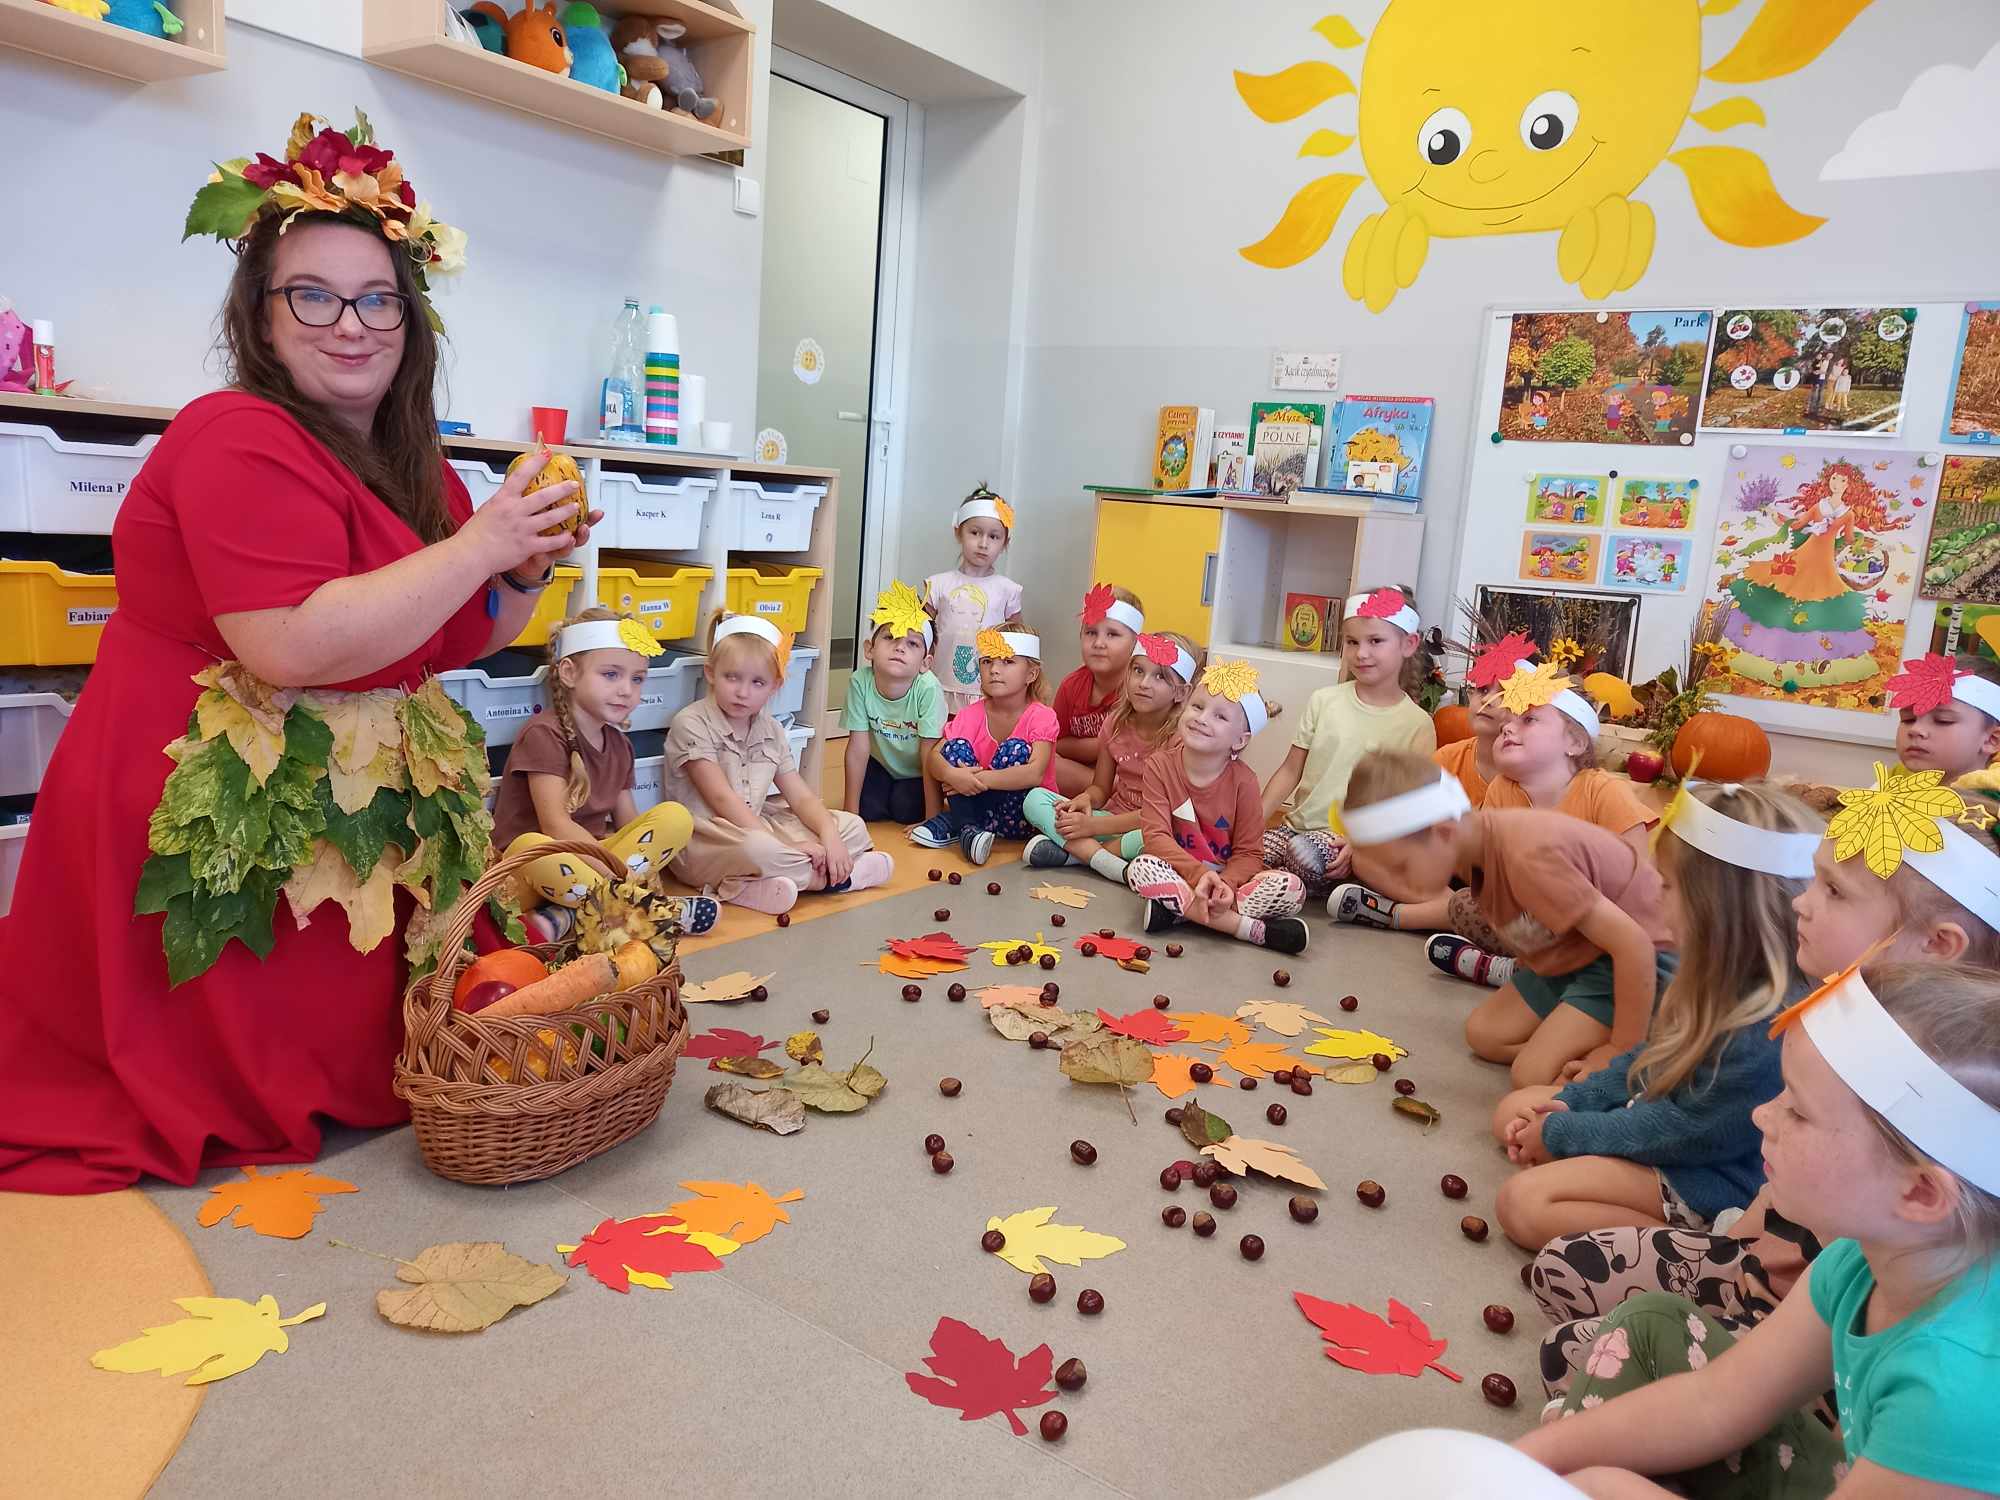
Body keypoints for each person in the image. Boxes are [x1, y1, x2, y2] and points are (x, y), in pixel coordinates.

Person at [0, 113, 612, 1190]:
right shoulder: (231, 433)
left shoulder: (410, 457)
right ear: (263, 317)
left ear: (410, 318)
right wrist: (481, 544)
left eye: (378, 298)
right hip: (204, 778)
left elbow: (459, 633)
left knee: (374, 1041)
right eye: (314, 296)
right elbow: (285, 645)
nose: (351, 324)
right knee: (218, 1052)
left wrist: (520, 566)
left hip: (349, 792)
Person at [1527, 768, 2000, 1409]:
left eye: (1832, 890)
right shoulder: (1836, 1008)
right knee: (1565, 1291)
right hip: (1774, 1257)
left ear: (1937, 946)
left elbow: (1853, 1246)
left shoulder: (1935, 1075)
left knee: (1596, 1359)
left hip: (1821, 1315)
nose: (1803, 901)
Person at [1516, 961, 2000, 1500]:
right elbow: (1717, 1401)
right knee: (1651, 1326)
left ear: (1920, 1193)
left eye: (1799, 1111)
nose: (1762, 1116)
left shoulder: (1955, 1395)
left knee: (1603, 1481)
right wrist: (1525, 1461)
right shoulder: (1861, 1260)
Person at [1491, 784, 1818, 1251]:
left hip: (1706, 1177)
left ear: (1715, 908)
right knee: (1517, 1109)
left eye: (1666, 884)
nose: (1655, 893)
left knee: (1523, 1204)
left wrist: (1567, 1132)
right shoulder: (1712, 976)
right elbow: (1649, 1057)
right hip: (1658, 1123)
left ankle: (1714, 1254)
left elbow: (1681, 1132)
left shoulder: (1765, 1030)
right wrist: (1576, 1102)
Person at [1342, 749, 1676, 1087]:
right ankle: (1581, 1047)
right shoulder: (1479, 850)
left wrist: (1620, 1050)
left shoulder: (1527, 859)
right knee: (1485, 1035)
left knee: (1530, 1074)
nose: (1400, 884)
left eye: (1401, 868)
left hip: (1638, 961)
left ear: (1443, 833)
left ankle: (1647, 1052)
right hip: (1576, 955)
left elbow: (1634, 945)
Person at [1335, 662, 1647, 990]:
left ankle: (1397, 918)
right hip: (1524, 915)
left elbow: (1636, 883)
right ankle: (1510, 968)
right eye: (1508, 722)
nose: (1509, 728)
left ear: (1576, 742)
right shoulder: (1503, 788)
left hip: (1593, 924)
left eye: (1527, 720)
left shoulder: (1604, 792)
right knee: (1468, 902)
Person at [489, 607, 710, 942]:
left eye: (637, 679)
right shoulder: (543, 734)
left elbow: (628, 822)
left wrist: (638, 874)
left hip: (588, 869)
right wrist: (619, 877)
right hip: (532, 870)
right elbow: (555, 826)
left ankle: (576, 914)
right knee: (530, 845)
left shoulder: (620, 746)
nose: (626, 689)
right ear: (569, 673)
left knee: (675, 817)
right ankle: (644, 911)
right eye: (611, 674)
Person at [663, 613, 892, 914]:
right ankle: (838, 879)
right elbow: (720, 798)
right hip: (710, 839)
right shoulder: (691, 722)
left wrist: (830, 836)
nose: (743, 692)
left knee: (853, 827)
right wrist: (782, 846)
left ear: (775, 686)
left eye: (757, 682)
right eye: (732, 677)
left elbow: (800, 795)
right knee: (760, 850)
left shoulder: (770, 729)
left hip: (760, 826)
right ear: (710, 672)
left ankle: (761, 885)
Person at [1260, 587, 1436, 893]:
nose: (1361, 653)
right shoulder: (1323, 700)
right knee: (1248, 853)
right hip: (1295, 828)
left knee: (1304, 857)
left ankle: (1286, 885)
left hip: (1347, 841)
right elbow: (1290, 770)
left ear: (1408, 644)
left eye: (1375, 641)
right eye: (1352, 642)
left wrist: (1359, 844)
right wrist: (1249, 826)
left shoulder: (1417, 724)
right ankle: (1271, 888)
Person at [1127, 660, 1309, 955]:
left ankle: (1179, 911)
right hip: (1182, 873)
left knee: (1292, 889)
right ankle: (1248, 930)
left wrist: (1224, 884)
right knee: (1141, 868)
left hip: (1230, 884)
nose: (1202, 718)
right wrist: (1199, 876)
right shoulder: (1160, 766)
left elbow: (1249, 853)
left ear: (1240, 740)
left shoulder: (1245, 782)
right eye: (1197, 707)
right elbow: (1156, 838)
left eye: (1220, 716)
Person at [1023, 630, 1199, 883]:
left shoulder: (1181, 740)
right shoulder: (1114, 724)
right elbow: (1100, 789)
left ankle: (1084, 856)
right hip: (1113, 819)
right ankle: (1104, 858)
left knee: (1157, 839)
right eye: (1138, 671)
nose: (1144, 683)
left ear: (1181, 692)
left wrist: (1092, 828)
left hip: (1155, 826)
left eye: (1160, 676)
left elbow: (1163, 814)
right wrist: (1085, 800)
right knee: (1035, 799)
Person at [908, 625, 1059, 865]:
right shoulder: (970, 714)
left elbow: (1034, 773)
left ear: (1031, 674)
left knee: (1016, 751)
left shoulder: (1042, 716)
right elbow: (935, 757)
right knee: (953, 748)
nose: (995, 670)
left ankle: (959, 823)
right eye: (987, 661)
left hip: (1023, 817)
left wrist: (976, 781)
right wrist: (952, 774)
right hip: (980, 809)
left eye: (1008, 662)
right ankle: (969, 829)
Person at [841, 580, 945, 826]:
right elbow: (857, 748)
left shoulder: (928, 688)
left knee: (906, 809)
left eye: (912, 643)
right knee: (867, 808)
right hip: (882, 766)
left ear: (925, 662)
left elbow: (930, 753)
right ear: (870, 649)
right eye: (890, 637)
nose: (900, 647)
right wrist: (849, 814)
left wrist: (933, 821)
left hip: (918, 771)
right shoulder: (860, 682)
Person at [924, 484, 1023, 716]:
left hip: (986, 688)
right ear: (958, 532)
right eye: (975, 533)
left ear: (1005, 542)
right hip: (941, 682)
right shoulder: (938, 585)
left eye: (994, 536)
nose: (983, 543)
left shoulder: (1007, 590)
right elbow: (922, 635)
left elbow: (1016, 642)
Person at [1050, 583, 1146, 797]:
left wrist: (1085, 747)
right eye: (1091, 632)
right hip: (1084, 776)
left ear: (1135, 643)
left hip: (1129, 776)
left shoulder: (1141, 691)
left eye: (1112, 634)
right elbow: (1054, 742)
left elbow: (1135, 751)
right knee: (1043, 762)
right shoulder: (1071, 686)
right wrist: (1103, 744)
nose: (1099, 643)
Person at [1889, 652, 2000, 783]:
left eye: (1943, 721)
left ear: (1992, 740)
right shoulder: (1891, 783)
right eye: (1908, 719)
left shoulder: (1991, 801)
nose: (1915, 729)